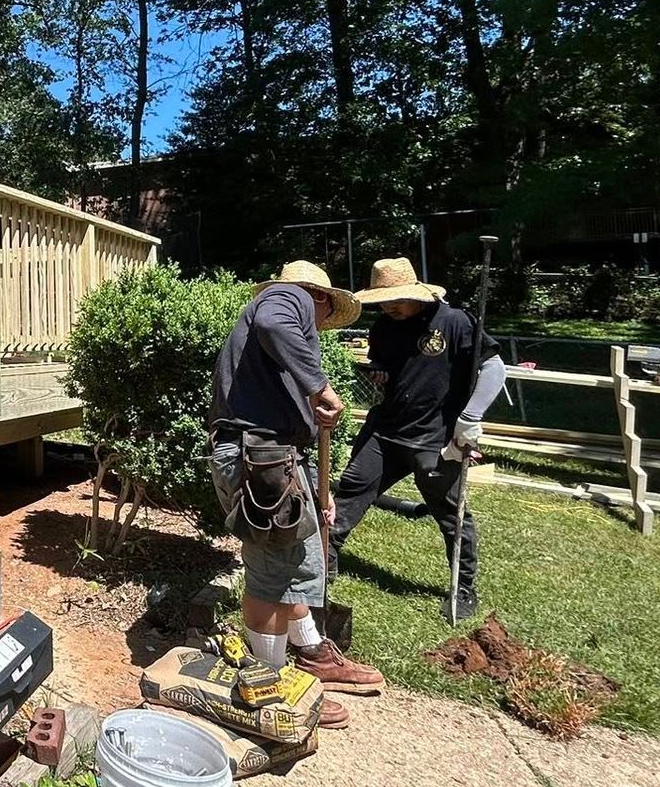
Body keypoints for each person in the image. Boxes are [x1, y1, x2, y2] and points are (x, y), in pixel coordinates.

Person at [210, 261, 384, 727]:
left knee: (302, 563)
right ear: (319, 298)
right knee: (272, 576)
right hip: (260, 462)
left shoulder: (287, 321)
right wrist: (320, 387)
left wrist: (313, 488)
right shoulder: (290, 299)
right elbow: (272, 322)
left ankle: (311, 655)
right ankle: (270, 688)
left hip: (281, 462)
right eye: (324, 316)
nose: (321, 324)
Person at [328, 257, 506, 622]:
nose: (389, 306)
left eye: (396, 299)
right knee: (346, 497)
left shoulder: (455, 322)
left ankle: (463, 588)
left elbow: (494, 367)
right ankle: (321, 572)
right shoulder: (383, 327)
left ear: (415, 292)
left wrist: (470, 418)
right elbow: (388, 367)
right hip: (386, 433)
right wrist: (380, 372)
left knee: (452, 517)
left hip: (435, 439)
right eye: (383, 300)